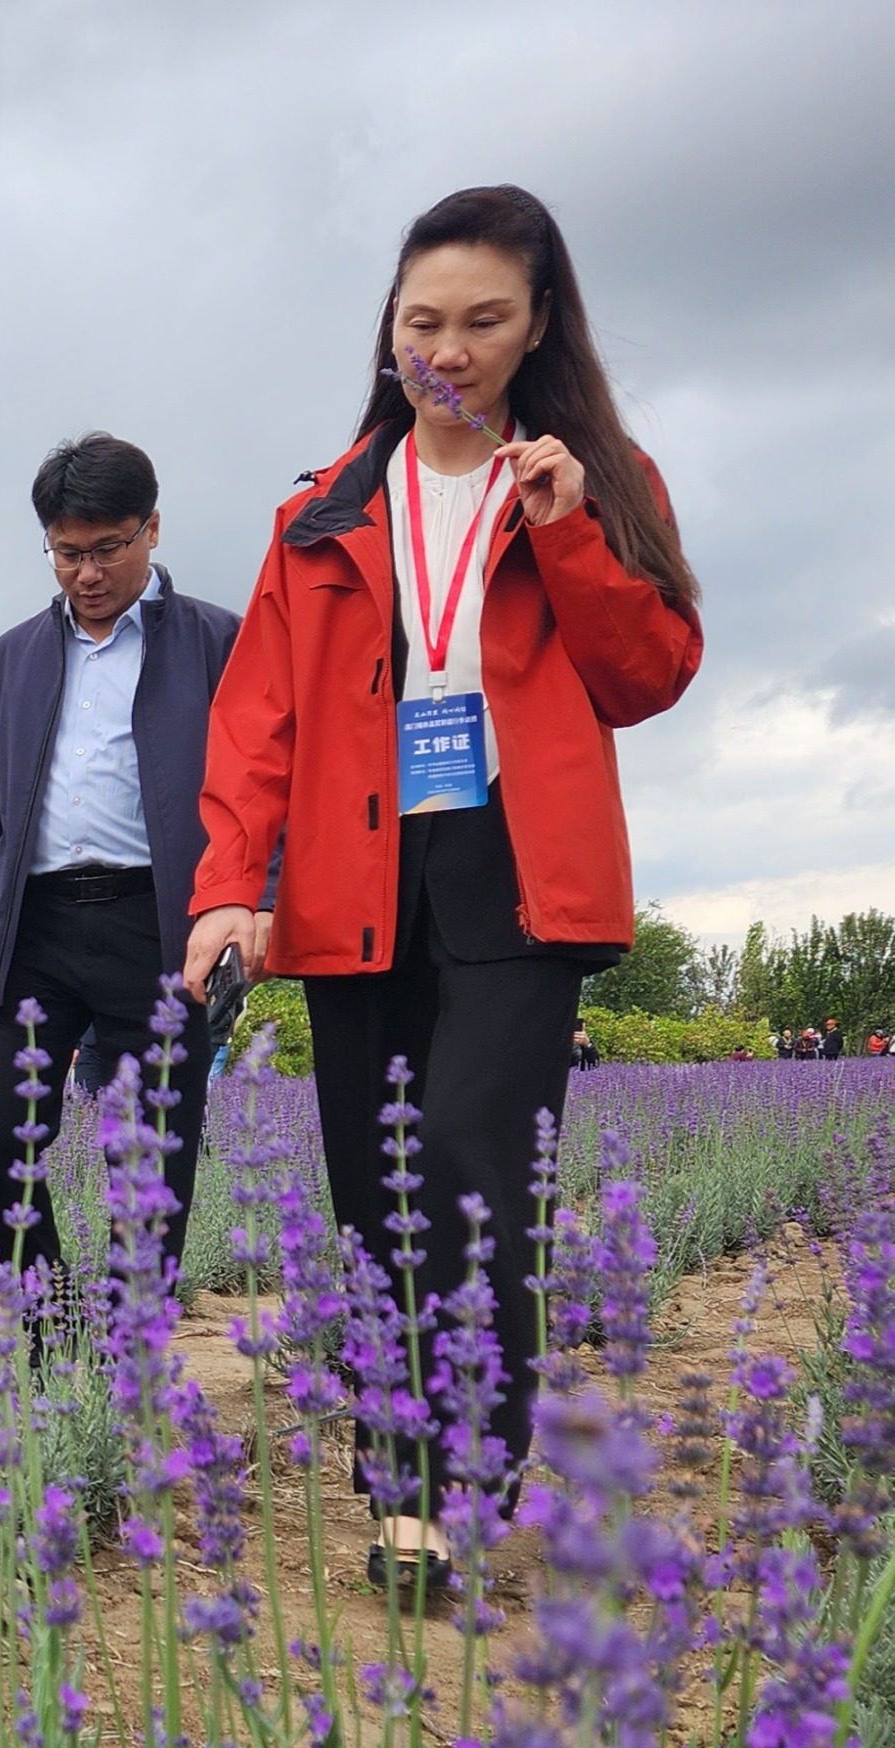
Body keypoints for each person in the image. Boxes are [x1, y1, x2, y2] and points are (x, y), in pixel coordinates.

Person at [185, 185, 703, 1596]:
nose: (450, 347)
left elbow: (646, 676)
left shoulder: (595, 483)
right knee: (375, 1192)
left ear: (537, 327)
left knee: (473, 1168)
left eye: (483, 320)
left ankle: (466, 1488)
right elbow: (254, 723)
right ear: (388, 332)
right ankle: (395, 1485)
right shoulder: (322, 513)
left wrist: (568, 535)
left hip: (517, 877)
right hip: (357, 875)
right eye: (424, 319)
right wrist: (228, 889)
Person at [0, 432, 243, 1293]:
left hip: (159, 929)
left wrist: (253, 905)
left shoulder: (218, 642)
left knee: (152, 1156)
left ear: (152, 529)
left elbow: (260, 791)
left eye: (108, 548)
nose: (87, 572)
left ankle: (133, 1347)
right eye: (67, 553)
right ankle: (48, 1314)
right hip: (35, 926)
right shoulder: (10, 658)